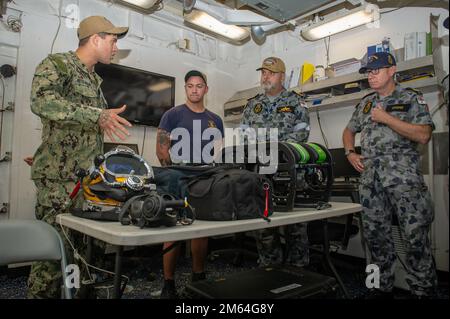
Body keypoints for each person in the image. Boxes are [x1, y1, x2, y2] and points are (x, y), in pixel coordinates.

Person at [28, 15, 131, 298]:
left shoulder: (93, 80)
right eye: (113, 40)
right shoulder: (58, 64)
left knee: (80, 256)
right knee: (51, 256)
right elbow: (42, 101)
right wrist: (96, 115)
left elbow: (81, 132)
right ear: (95, 39)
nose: (116, 47)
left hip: (83, 183)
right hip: (59, 182)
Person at [342, 52, 437, 299]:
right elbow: (348, 130)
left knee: (416, 239)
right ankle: (377, 287)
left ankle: (423, 291)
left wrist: (386, 118)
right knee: (374, 239)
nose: (371, 75)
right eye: (368, 72)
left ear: (392, 70)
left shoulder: (411, 98)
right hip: (371, 181)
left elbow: (423, 135)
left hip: (404, 181)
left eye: (376, 70)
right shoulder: (365, 103)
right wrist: (350, 152)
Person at [156, 70, 224, 298]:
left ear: (206, 89)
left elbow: (218, 152)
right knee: (172, 230)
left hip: (204, 179)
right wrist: (171, 176)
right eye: (190, 86)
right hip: (177, 178)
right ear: (185, 89)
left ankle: (198, 276)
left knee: (200, 229)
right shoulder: (172, 115)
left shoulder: (215, 120)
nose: (194, 89)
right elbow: (162, 149)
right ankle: (168, 282)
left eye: (199, 85)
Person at [239, 57, 311, 268]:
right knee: (263, 226)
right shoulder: (253, 105)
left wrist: (278, 154)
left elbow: (302, 135)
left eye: (270, 73)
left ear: (282, 76)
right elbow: (245, 137)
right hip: (261, 172)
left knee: (296, 227)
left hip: (289, 173)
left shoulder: (295, 102)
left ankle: (299, 272)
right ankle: (269, 269)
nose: (265, 76)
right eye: (263, 72)